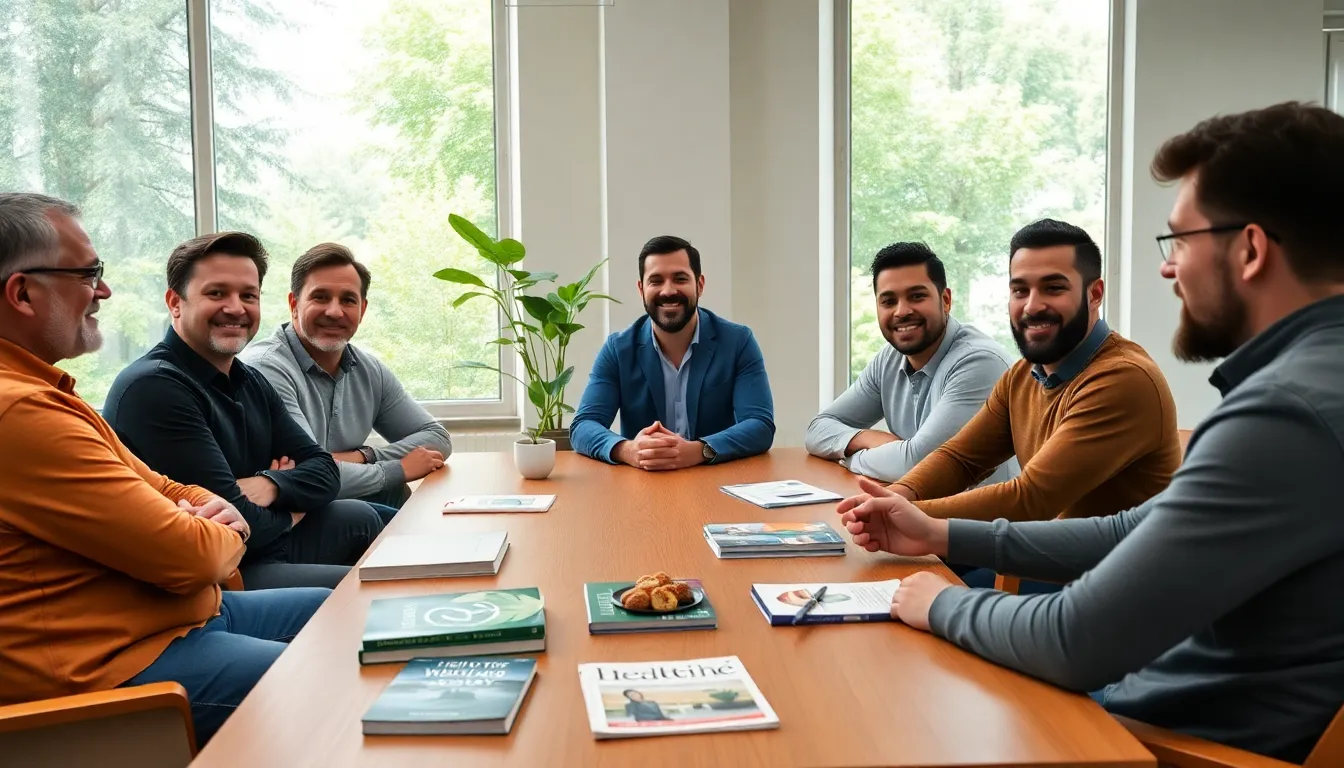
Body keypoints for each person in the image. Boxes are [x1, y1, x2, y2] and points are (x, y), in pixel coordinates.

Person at [837, 102, 1344, 763]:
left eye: (1181, 241)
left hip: (1157, 742)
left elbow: (1076, 640)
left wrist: (936, 604)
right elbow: (1131, 528)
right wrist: (935, 531)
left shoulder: (1285, 413)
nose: (1169, 269)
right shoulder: (1308, 387)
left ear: (1249, 250)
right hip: (1144, 694)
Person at [0, 192, 328, 746]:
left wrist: (219, 511)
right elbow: (189, 555)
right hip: (115, 665)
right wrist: (231, 524)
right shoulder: (21, 412)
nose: (102, 290)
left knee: (358, 612)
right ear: (23, 292)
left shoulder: (49, 394)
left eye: (248, 294)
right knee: (337, 680)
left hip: (183, 617)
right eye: (87, 274)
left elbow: (173, 491)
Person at [889, 220, 1181, 590]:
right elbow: (961, 459)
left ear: (1095, 294)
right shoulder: (1023, 374)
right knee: (897, 575)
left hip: (1115, 587)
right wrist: (898, 495)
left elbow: (1030, 499)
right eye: (1019, 289)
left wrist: (903, 516)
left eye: (1053, 288)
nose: (1033, 305)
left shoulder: (1123, 379)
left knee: (911, 592)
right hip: (1050, 562)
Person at [103, 232, 385, 590]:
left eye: (248, 295)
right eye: (216, 293)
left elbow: (325, 471)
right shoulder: (154, 388)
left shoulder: (248, 378)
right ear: (175, 302)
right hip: (214, 575)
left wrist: (270, 483)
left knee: (363, 517)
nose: (236, 308)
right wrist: (293, 504)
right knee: (367, 589)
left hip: (262, 542)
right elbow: (232, 529)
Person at [241, 243, 451, 518]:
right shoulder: (266, 367)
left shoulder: (369, 369)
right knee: (382, 504)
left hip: (331, 499)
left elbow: (438, 439)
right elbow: (308, 476)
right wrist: (400, 468)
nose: (335, 312)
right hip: (281, 515)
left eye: (348, 300)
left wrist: (364, 456)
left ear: (362, 310)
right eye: (320, 297)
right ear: (294, 304)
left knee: (404, 501)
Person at [805, 242, 1018, 484]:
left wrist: (850, 459)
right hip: (922, 512)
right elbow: (817, 430)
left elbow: (918, 465)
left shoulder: (979, 363)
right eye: (888, 301)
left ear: (946, 300)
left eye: (917, 296)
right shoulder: (889, 359)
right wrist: (866, 438)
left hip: (984, 520)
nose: (901, 311)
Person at [571, 235, 774, 468]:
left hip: (716, 481)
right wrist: (628, 450)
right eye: (655, 281)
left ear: (699, 285)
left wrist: (699, 450)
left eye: (680, 278)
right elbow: (583, 426)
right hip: (644, 483)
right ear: (641, 289)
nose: (668, 291)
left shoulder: (738, 342)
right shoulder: (618, 350)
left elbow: (760, 425)